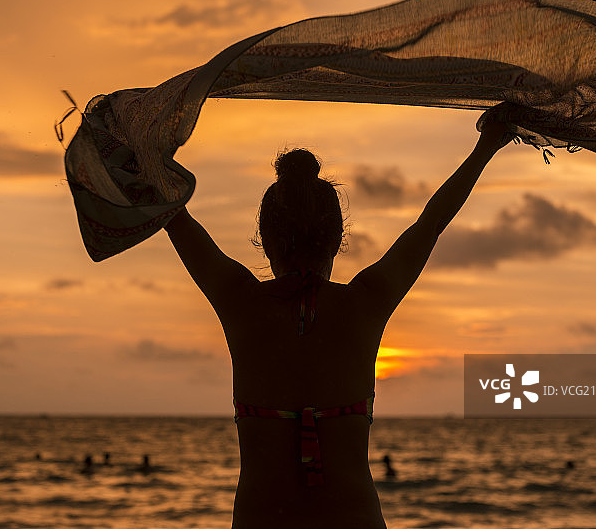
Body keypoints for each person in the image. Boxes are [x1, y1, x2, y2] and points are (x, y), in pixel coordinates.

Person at [164, 119, 510, 528]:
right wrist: (488, 146)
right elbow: (430, 224)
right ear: (337, 237)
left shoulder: (241, 302)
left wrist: (138, 162)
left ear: (266, 238)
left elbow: (174, 215)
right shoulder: (366, 302)